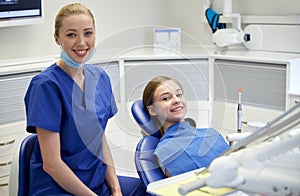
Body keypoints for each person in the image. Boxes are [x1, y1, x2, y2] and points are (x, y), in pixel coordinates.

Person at [24, 3, 146, 195]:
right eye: (71, 34)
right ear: (57, 38)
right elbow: (52, 165)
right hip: (58, 187)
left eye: (88, 33)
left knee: (145, 189)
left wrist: (115, 189)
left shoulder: (100, 78)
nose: (81, 42)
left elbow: (100, 140)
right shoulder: (46, 86)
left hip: (95, 180)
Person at [142, 76, 229, 177]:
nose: (176, 100)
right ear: (152, 110)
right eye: (166, 98)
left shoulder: (211, 133)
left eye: (179, 94)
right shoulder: (165, 152)